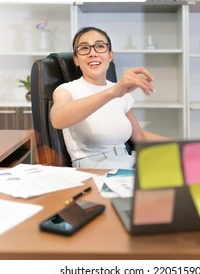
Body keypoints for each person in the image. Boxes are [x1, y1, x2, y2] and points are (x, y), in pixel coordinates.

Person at [50, 26, 168, 169]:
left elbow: (140, 137)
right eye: (84, 48)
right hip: (93, 170)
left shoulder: (120, 91)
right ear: (76, 59)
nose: (92, 53)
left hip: (126, 164)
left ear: (110, 55)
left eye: (100, 46)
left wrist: (188, 146)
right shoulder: (67, 90)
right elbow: (58, 120)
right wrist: (111, 93)